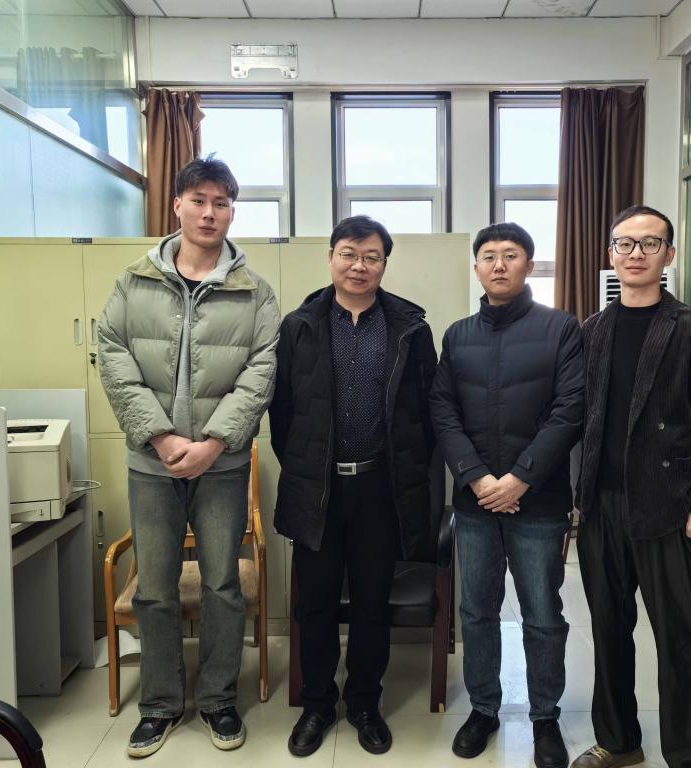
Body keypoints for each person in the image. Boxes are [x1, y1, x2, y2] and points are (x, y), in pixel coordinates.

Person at [98, 155, 280, 758]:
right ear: (176, 204)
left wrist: (213, 443)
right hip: (151, 463)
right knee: (155, 586)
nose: (209, 212)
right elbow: (113, 355)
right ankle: (159, 705)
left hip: (222, 464)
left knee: (223, 583)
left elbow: (260, 373)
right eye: (198, 200)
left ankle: (219, 700)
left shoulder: (254, 292)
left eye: (221, 202)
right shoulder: (134, 281)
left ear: (232, 212)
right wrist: (160, 436)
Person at [571, 205, 691, 768]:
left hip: (669, 508)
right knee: (608, 633)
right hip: (602, 507)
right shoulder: (593, 330)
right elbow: (583, 422)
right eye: (625, 243)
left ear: (669, 254)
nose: (636, 254)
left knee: (681, 640)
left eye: (650, 244)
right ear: (610, 253)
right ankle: (619, 742)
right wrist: (576, 501)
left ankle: (689, 758)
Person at [269, 215, 437, 757]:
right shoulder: (299, 326)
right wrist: (307, 466)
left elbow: (426, 412)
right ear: (331, 258)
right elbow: (283, 413)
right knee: (315, 602)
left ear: (384, 264)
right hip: (318, 488)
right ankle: (318, 704)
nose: (358, 266)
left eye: (371, 257)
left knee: (371, 601)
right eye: (348, 253)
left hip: (380, 488)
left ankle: (365, 702)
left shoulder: (410, 327)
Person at [430, 222, 584, 768]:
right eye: (489, 256)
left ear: (529, 265)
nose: (499, 264)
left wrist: (520, 478)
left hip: (539, 503)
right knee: (476, 611)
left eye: (511, 255)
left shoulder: (561, 329)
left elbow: (570, 410)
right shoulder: (458, 336)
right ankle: (483, 709)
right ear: (476, 267)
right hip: (475, 504)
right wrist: (476, 478)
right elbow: (442, 411)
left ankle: (545, 717)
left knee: (542, 614)